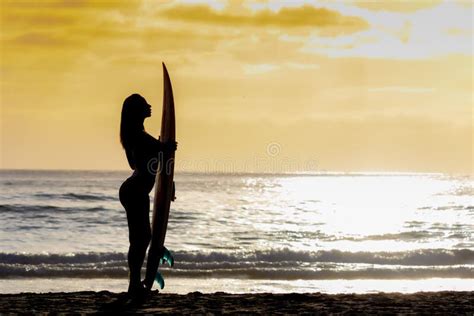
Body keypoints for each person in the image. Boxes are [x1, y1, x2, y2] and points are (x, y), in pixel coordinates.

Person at [118, 93, 176, 297]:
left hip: (135, 190)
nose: (150, 106)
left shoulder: (135, 136)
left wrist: (169, 185)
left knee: (141, 238)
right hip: (135, 191)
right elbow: (162, 150)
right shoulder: (137, 136)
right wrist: (165, 147)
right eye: (144, 105)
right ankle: (134, 285)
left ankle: (135, 284)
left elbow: (149, 163)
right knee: (140, 238)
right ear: (136, 111)